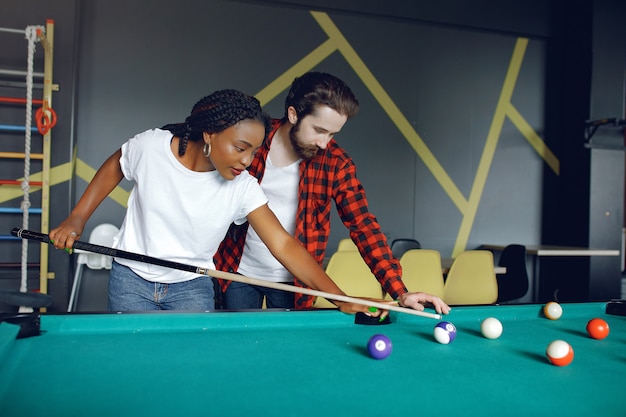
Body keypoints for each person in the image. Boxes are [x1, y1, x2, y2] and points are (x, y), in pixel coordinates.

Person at [50, 89, 391, 315]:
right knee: (137, 365)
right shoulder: (153, 147)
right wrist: (78, 217)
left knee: (190, 369)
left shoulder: (242, 187)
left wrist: (341, 298)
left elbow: (286, 245)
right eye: (240, 148)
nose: (247, 160)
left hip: (192, 288)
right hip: (130, 281)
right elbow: (116, 164)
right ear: (209, 135)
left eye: (255, 151)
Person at [215, 73, 451, 315]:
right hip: (236, 270)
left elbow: (363, 225)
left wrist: (400, 291)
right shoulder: (253, 141)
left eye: (332, 134)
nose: (324, 143)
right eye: (318, 130)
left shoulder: (337, 163)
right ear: (293, 114)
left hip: (299, 282)